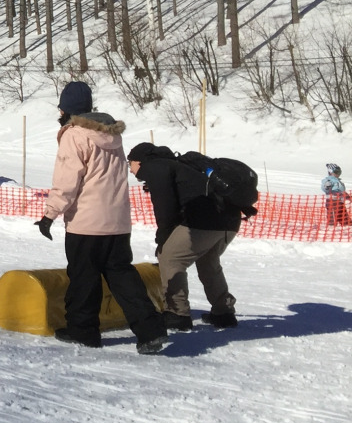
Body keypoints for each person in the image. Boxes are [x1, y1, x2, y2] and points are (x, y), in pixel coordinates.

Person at [35, 81, 168, 355]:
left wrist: (50, 214)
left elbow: (67, 181)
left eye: (61, 107)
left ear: (67, 109)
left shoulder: (74, 135)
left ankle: (83, 332)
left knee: (84, 278)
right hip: (118, 223)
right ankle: (150, 329)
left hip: (87, 222)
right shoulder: (112, 136)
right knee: (122, 276)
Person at [127, 143, 240, 329]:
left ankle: (176, 313)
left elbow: (165, 208)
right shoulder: (177, 166)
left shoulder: (155, 167)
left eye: (129, 164)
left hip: (205, 221)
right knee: (208, 262)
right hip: (229, 220)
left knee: (170, 258)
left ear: (139, 161)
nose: (130, 170)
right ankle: (223, 312)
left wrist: (162, 238)